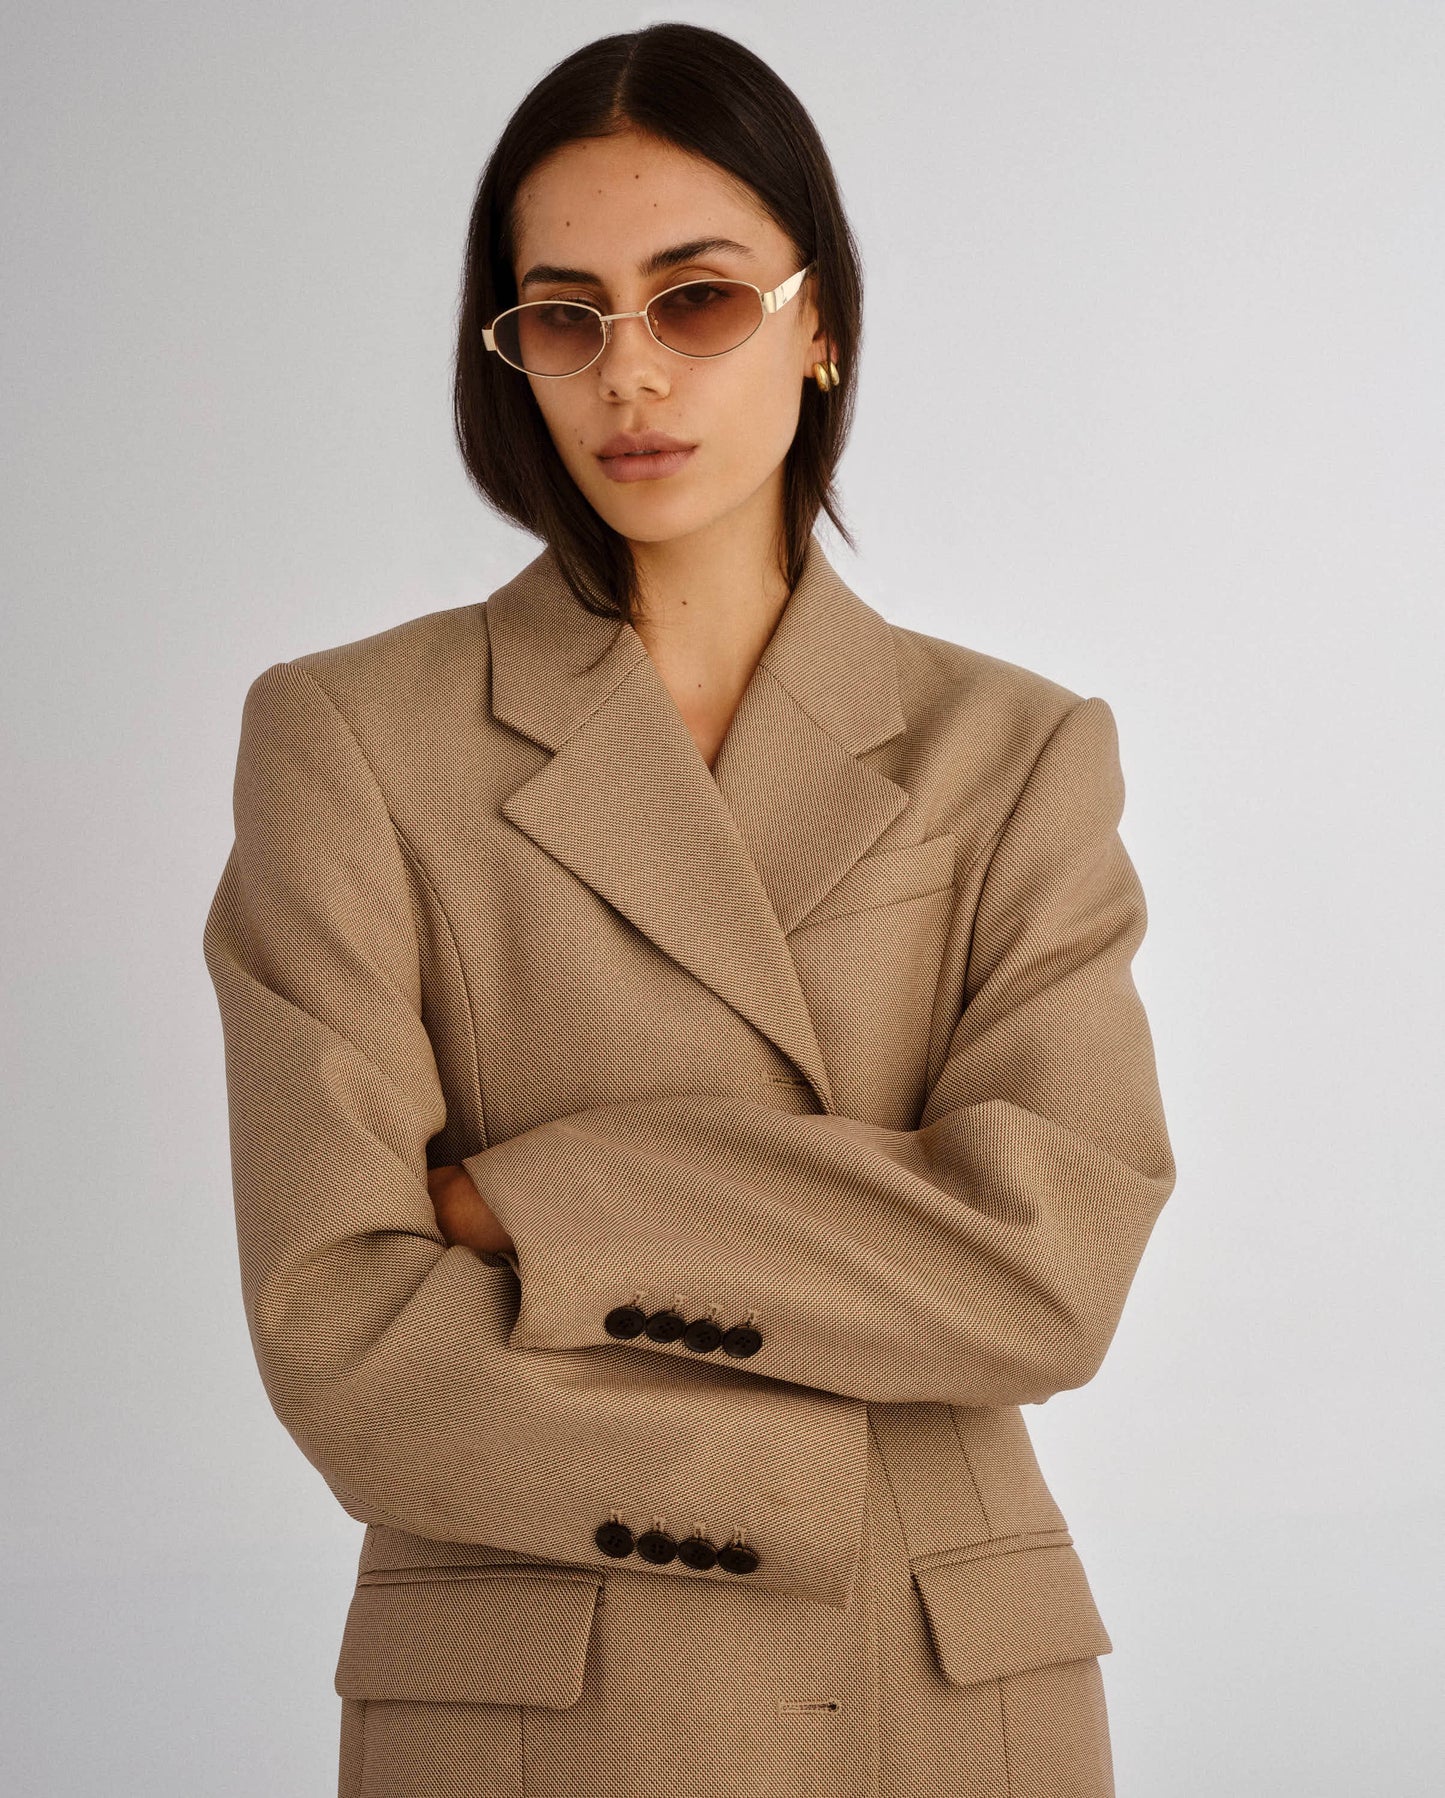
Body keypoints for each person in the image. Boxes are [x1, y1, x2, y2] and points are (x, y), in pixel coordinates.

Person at [202, 22, 1176, 1798]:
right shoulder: (349, 737)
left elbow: (1051, 1258)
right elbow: (340, 1321)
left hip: (939, 1690)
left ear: (821, 325)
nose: (627, 374)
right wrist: (812, 1456)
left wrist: (551, 1199)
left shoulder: (1016, 750)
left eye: (697, 299)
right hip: (529, 1700)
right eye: (564, 315)